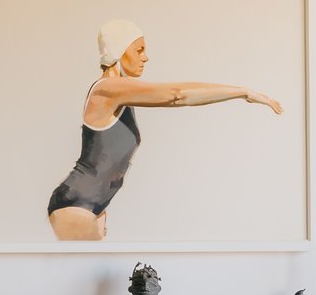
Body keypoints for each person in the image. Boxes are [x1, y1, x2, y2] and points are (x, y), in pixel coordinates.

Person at [47, 19, 282, 241]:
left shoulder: (120, 92)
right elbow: (176, 95)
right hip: (76, 204)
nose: (146, 58)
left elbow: (177, 93)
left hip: (95, 207)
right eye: (138, 50)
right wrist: (242, 92)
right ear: (119, 50)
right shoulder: (108, 89)